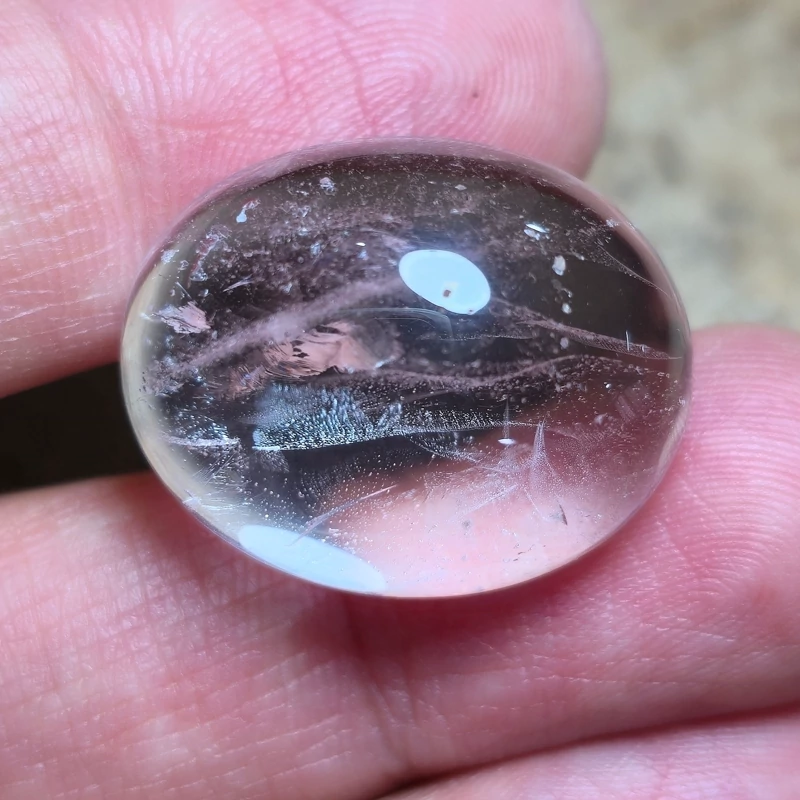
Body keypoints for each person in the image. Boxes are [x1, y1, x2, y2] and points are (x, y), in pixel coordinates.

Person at [1, 1, 798, 797]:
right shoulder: (267, 370)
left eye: (324, 346)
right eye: (308, 345)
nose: (304, 352)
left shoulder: (413, 394)